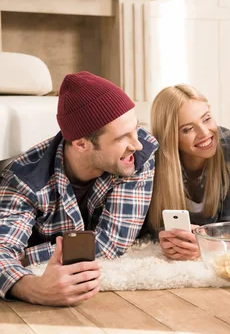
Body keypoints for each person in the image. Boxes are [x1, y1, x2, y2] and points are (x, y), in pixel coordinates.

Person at [0, 71, 158, 305]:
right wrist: (33, 288)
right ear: (81, 144)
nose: (136, 143)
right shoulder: (24, 180)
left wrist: (25, 256)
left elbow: (110, 243)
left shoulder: (137, 155)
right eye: (122, 137)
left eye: (135, 129)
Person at [149, 85, 230, 261]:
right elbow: (149, 229)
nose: (205, 133)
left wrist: (206, 244)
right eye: (188, 129)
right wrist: (169, 239)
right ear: (171, 137)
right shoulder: (153, 161)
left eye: (206, 119)